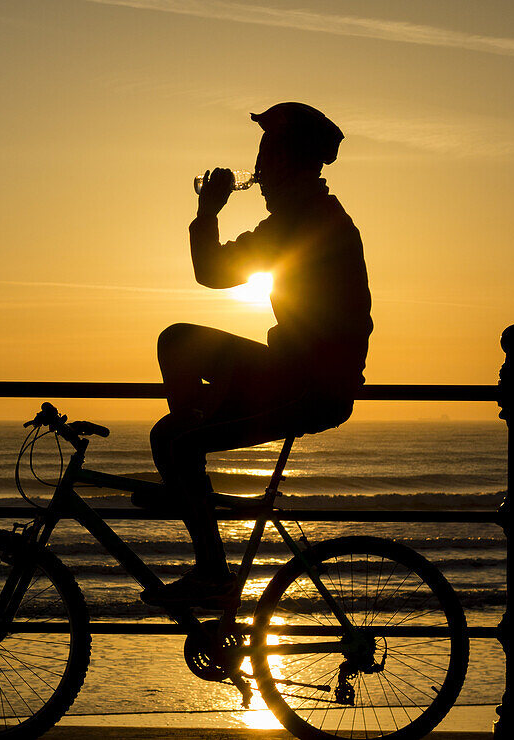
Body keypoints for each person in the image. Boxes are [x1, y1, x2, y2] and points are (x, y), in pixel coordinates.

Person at [142, 102, 372, 607]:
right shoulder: (307, 217)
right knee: (172, 424)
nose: (259, 172)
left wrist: (208, 211)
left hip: (307, 386)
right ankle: (188, 468)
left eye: (266, 157)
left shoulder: (302, 223)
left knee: (177, 438)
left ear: (288, 163)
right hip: (296, 375)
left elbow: (212, 272)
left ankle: (213, 576)